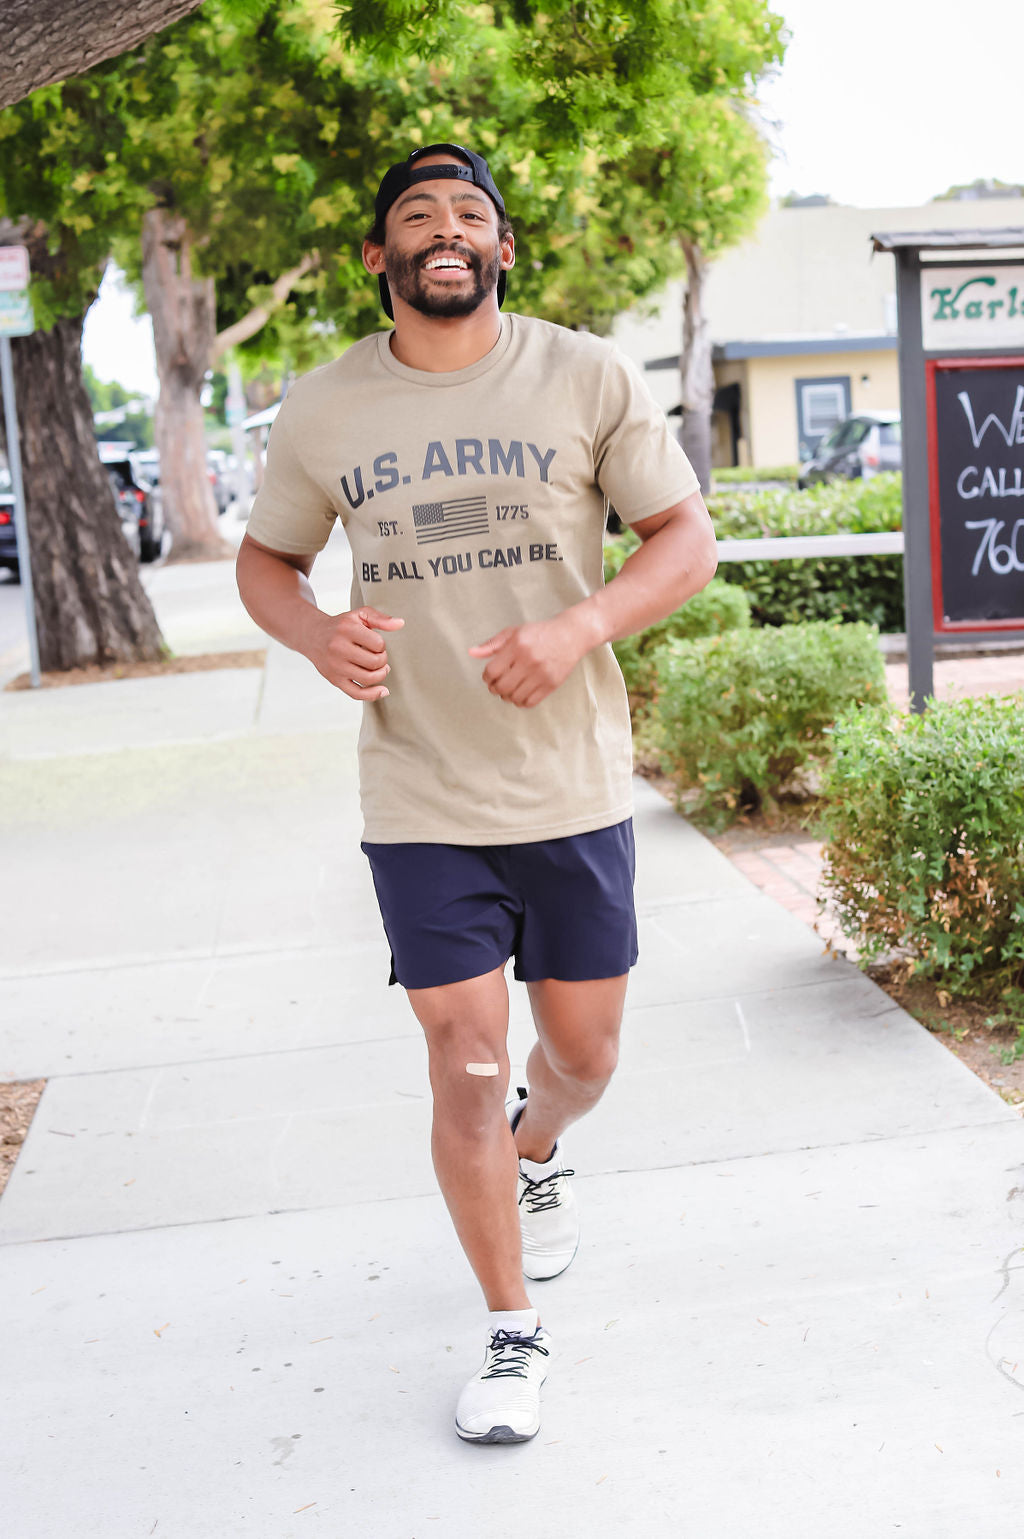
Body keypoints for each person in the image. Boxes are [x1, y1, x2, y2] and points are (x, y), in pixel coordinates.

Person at [236, 143, 717, 1445]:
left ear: (502, 250)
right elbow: (266, 560)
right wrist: (314, 629)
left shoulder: (586, 375)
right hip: (420, 795)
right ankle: (513, 1335)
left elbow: (685, 539)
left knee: (580, 1058)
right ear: (379, 259)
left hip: (570, 785)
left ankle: (541, 1151)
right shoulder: (327, 408)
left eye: (469, 215)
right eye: (416, 215)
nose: (444, 229)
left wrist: (578, 628)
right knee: (464, 1063)